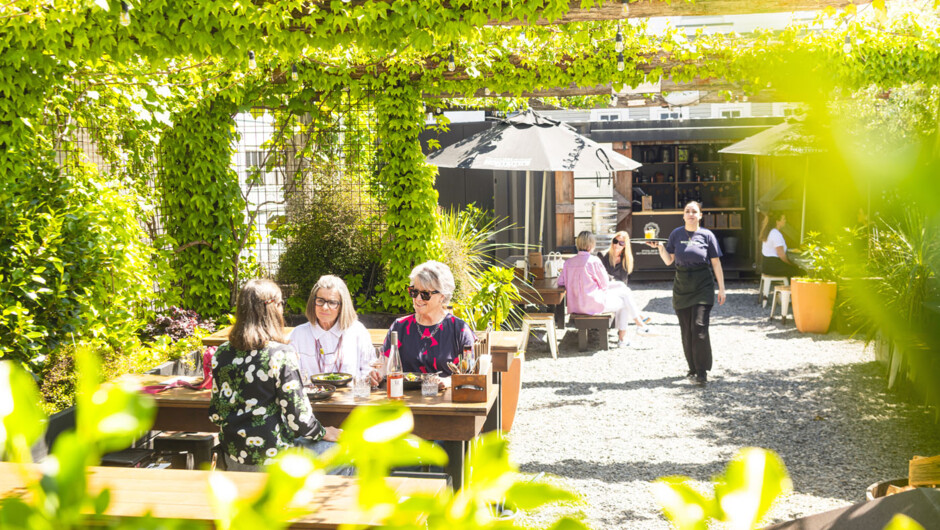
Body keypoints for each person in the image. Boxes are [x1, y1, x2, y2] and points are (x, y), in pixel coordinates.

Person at [209, 279, 342, 471]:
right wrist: (324, 432)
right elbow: (299, 421)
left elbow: (215, 415)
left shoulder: (221, 353)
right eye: (281, 304)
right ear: (273, 309)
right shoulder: (280, 354)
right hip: (277, 460)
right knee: (348, 455)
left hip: (233, 458)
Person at [651, 201, 726, 385]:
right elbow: (669, 260)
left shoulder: (707, 235)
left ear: (700, 215)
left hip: (703, 284)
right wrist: (660, 247)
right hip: (682, 285)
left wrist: (721, 288)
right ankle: (692, 367)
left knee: (699, 326)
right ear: (683, 216)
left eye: (694, 211)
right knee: (686, 329)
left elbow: (715, 263)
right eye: (687, 211)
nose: (691, 214)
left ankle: (702, 371)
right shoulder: (676, 234)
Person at [382, 261, 475, 388]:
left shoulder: (459, 330)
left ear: (442, 296)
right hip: (405, 401)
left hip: (444, 402)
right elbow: (385, 369)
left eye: (425, 294)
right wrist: (375, 374)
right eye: (414, 292)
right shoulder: (400, 327)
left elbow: (472, 374)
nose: (418, 299)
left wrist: (448, 381)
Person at [558, 231, 652, 349]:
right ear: (592, 245)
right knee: (624, 302)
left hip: (575, 306)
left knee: (624, 291)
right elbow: (604, 284)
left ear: (578, 244)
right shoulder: (594, 261)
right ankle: (629, 334)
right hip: (593, 305)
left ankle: (639, 325)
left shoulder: (568, 263)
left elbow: (560, 282)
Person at [289, 275, 380, 386]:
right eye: (320, 301)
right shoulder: (298, 335)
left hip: (350, 400)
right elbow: (292, 376)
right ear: (313, 302)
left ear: (342, 306)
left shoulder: (357, 331)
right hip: (312, 401)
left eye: (332, 302)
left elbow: (368, 371)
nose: (325, 307)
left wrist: (371, 376)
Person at [759, 211, 804, 278]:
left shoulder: (769, 232)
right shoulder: (776, 234)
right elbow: (782, 255)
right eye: (784, 219)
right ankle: (792, 288)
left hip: (767, 266)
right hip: (774, 267)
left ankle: (790, 287)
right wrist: (791, 264)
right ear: (777, 221)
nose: (785, 221)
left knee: (794, 269)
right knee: (801, 271)